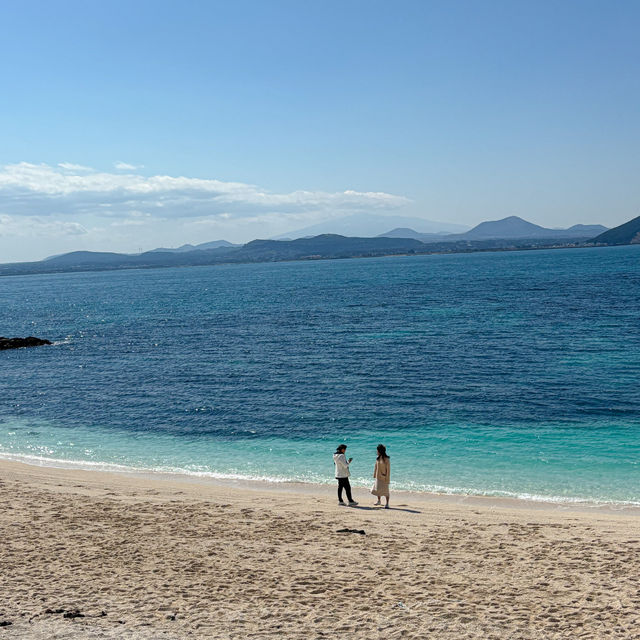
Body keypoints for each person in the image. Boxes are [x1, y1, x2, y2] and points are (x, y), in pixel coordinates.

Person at [371, 444, 390, 508]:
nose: (376, 451)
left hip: (384, 477)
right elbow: (375, 467)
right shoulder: (378, 458)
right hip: (377, 476)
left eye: (377, 450)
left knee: (386, 491)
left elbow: (388, 470)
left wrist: (387, 479)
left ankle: (387, 503)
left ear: (380, 451)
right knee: (377, 489)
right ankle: (379, 501)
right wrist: (374, 475)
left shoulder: (386, 459)